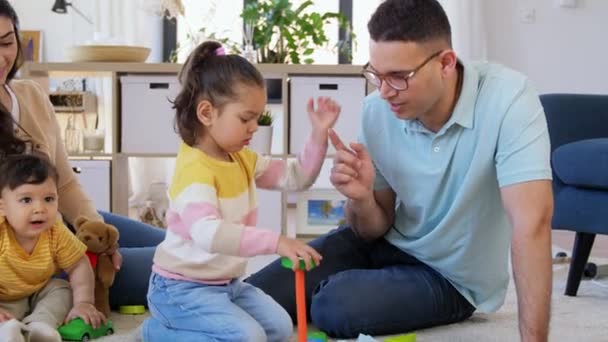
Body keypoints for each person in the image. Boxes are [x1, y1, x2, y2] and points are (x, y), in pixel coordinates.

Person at [247, 0, 553, 340]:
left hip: (449, 277)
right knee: (250, 297)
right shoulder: (377, 110)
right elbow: (373, 228)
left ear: (446, 63)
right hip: (386, 244)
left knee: (333, 305)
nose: (385, 91)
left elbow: (532, 225)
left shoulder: (509, 99)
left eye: (398, 77)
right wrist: (361, 198)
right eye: (376, 74)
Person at [141, 40, 339, 342]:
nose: (254, 127)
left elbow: (295, 177)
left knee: (279, 328)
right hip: (179, 288)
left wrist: (318, 134)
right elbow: (209, 234)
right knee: (248, 338)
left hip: (226, 284)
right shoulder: (195, 171)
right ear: (207, 113)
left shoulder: (241, 158)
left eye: (257, 119)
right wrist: (277, 242)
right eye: (245, 118)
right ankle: (155, 333)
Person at [0, 0, 165, 310]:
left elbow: (64, 184)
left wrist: (97, 233)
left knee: (184, 247)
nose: (1, 58)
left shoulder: (30, 95)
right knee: (184, 265)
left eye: (6, 43)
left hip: (63, 225)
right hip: (32, 260)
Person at [0, 154, 105, 342]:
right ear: (2, 207)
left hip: (37, 292)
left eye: (49, 199)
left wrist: (83, 302)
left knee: (62, 288)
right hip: (3, 298)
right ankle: (7, 332)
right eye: (26, 200)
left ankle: (40, 325)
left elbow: (79, 265)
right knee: (6, 314)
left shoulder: (55, 230)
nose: (40, 208)